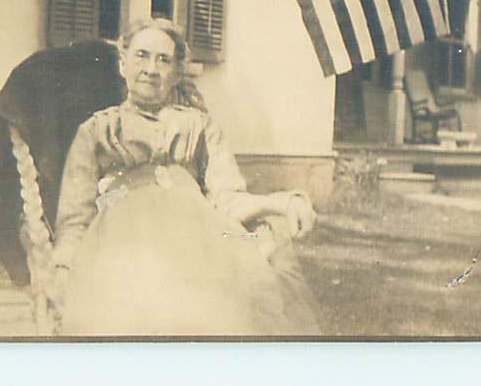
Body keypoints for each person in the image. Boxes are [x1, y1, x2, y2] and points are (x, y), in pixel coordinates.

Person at [51, 17, 321, 336]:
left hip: (197, 238)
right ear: (122, 64)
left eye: (163, 60)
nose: (152, 68)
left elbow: (226, 198)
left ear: (177, 73)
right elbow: (76, 215)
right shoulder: (98, 130)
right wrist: (64, 267)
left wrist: (283, 201)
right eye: (141, 56)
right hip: (121, 238)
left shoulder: (198, 127)